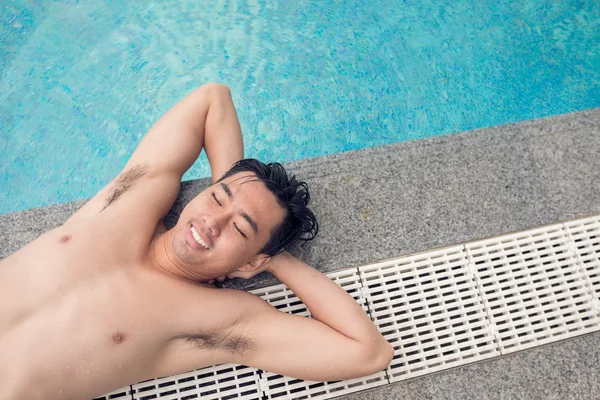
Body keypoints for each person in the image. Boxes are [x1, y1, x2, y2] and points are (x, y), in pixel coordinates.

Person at [0, 83, 394, 399]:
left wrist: (273, 259)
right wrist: (233, 187)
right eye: (216, 198)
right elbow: (212, 98)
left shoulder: (218, 317)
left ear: (250, 263)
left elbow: (367, 352)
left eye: (240, 229)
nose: (211, 223)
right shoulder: (130, 204)